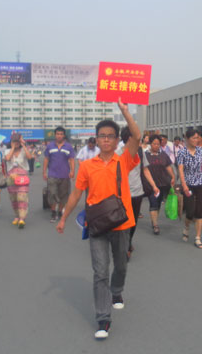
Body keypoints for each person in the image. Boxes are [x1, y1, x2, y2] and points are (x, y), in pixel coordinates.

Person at [56, 98, 140, 340]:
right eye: (102, 136)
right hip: (97, 224)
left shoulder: (124, 160)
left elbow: (137, 136)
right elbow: (76, 194)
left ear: (116, 140)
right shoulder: (87, 166)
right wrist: (64, 217)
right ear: (96, 138)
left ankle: (117, 291)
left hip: (122, 223)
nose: (106, 139)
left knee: (121, 265)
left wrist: (125, 111)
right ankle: (103, 318)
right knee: (100, 271)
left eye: (110, 136)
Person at [177, 129, 202, 249]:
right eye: (194, 138)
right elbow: (180, 170)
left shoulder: (201, 150)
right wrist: (184, 185)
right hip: (188, 185)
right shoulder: (182, 152)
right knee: (190, 212)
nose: (196, 140)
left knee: (199, 211)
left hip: (201, 183)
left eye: (197, 138)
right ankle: (186, 227)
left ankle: (197, 238)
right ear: (187, 139)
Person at [118, 126, 146, 260]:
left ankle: (128, 241)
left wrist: (153, 185)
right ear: (129, 138)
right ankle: (125, 246)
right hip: (121, 194)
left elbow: (145, 170)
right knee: (123, 221)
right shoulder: (117, 153)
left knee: (133, 221)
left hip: (137, 192)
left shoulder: (139, 152)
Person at [142, 134, 175, 235]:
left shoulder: (163, 155)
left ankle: (154, 220)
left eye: (158, 144)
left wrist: (173, 177)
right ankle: (155, 225)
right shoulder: (145, 155)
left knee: (158, 203)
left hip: (162, 183)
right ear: (150, 144)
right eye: (154, 144)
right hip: (150, 184)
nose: (156, 146)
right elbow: (143, 169)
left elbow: (168, 166)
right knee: (153, 202)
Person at [43, 127, 75, 223]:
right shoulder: (50, 146)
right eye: (57, 134)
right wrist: (44, 172)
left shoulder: (68, 147)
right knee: (52, 193)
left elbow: (72, 160)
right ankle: (53, 212)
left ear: (64, 135)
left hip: (65, 175)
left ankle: (60, 211)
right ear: (55, 135)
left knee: (63, 195)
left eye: (61, 134)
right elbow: (46, 159)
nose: (59, 136)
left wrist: (72, 171)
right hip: (52, 175)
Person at [5, 134, 33, 229]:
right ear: (11, 142)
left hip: (22, 178)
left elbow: (29, 157)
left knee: (22, 197)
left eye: (18, 141)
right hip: (11, 178)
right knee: (14, 199)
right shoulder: (7, 151)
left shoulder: (24, 151)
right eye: (14, 141)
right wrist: (13, 148)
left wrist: (24, 145)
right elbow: (7, 158)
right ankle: (17, 216)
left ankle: (22, 218)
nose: (16, 143)